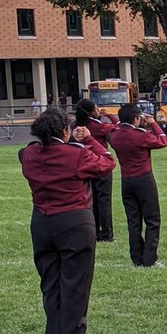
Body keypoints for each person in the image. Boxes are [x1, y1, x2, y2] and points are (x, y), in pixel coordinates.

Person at [19, 107, 115, 334]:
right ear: (64, 131)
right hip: (73, 221)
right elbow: (107, 163)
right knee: (75, 284)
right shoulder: (75, 154)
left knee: (50, 283)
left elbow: (27, 154)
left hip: (41, 222)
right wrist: (89, 140)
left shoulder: (29, 154)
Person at [109, 102, 167, 267]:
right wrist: (153, 123)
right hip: (144, 178)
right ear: (136, 118)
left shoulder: (114, 135)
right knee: (152, 219)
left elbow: (116, 127)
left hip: (126, 179)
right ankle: (150, 258)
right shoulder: (140, 135)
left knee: (133, 220)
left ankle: (136, 257)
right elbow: (163, 141)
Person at [75, 97, 117, 241]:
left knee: (91, 199)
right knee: (104, 200)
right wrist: (109, 115)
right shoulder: (97, 126)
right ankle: (106, 233)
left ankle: (93, 230)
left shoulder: (76, 125)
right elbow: (118, 126)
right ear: (91, 112)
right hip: (100, 164)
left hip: (85, 166)